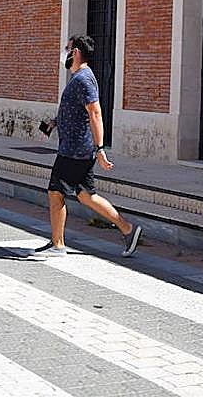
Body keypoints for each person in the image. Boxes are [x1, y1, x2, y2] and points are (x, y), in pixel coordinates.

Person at [37, 34, 142, 258]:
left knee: (55, 192)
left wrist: (100, 148)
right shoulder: (78, 78)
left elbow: (95, 113)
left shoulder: (83, 79)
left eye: (67, 49)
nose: (64, 53)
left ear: (75, 52)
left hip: (74, 150)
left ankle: (57, 244)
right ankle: (128, 229)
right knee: (86, 195)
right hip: (76, 147)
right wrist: (54, 123)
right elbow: (76, 111)